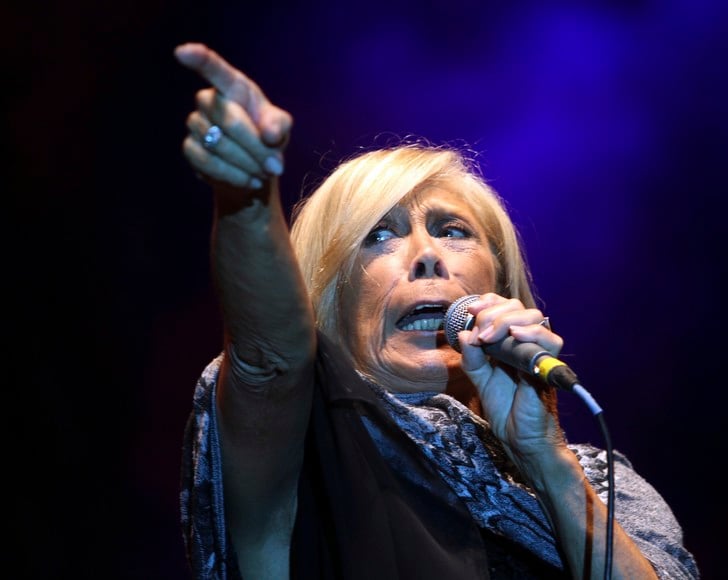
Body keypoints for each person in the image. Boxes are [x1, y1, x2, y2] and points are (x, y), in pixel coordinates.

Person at [174, 41, 700, 580]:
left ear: (500, 285)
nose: (427, 255)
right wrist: (248, 197)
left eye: (453, 232)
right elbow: (269, 359)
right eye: (379, 235)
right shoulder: (306, 442)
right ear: (328, 299)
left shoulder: (600, 482)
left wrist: (548, 462)